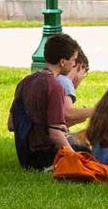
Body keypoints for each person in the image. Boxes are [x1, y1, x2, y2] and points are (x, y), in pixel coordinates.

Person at [8, 33, 81, 170]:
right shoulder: (55, 86)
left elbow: (11, 124)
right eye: (73, 60)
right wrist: (75, 159)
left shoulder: (24, 82)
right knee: (89, 152)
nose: (74, 64)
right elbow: (55, 135)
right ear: (62, 61)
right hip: (45, 158)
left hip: (24, 157)